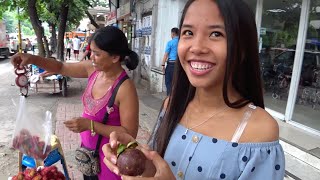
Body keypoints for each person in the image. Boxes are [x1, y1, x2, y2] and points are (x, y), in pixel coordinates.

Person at [102, 0, 285, 180]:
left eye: (216, 34)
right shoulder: (172, 105)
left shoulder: (260, 130)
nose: (196, 47)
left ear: (243, 48)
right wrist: (134, 154)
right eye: (188, 32)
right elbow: (156, 169)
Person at [11, 26, 140, 180]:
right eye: (91, 51)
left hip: (110, 161)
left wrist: (90, 125)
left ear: (115, 57)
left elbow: (130, 133)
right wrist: (31, 58)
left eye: (97, 54)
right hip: (88, 155)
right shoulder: (93, 70)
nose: (91, 57)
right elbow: (61, 67)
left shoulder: (125, 88)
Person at [161, 27, 179, 95]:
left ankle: (169, 99)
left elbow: (166, 54)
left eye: (171, 34)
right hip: (179, 65)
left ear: (173, 33)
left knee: (168, 83)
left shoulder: (170, 42)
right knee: (176, 83)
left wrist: (163, 65)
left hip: (171, 65)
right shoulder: (181, 42)